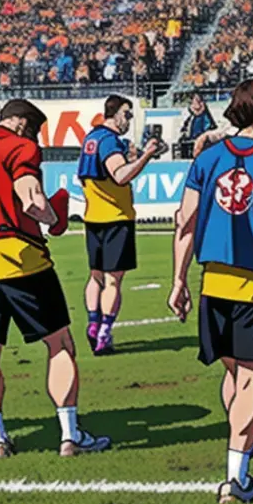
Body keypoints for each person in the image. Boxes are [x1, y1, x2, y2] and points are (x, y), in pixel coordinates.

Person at [168, 80, 253, 504]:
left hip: (214, 285)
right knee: (250, 382)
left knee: (234, 374)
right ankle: (237, 479)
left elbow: (184, 222)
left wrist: (178, 279)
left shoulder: (207, 160)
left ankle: (240, 451)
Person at [0, 99, 109, 460]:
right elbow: (31, 200)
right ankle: (70, 436)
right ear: (24, 124)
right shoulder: (20, 148)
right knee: (60, 345)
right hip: (22, 257)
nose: (38, 140)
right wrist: (56, 217)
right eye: (37, 131)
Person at [77, 95, 166, 355]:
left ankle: (93, 323)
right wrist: (147, 156)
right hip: (115, 218)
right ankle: (104, 332)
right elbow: (120, 175)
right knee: (113, 281)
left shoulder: (91, 138)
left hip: (93, 217)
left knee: (95, 275)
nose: (128, 120)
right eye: (126, 115)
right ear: (114, 113)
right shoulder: (108, 141)